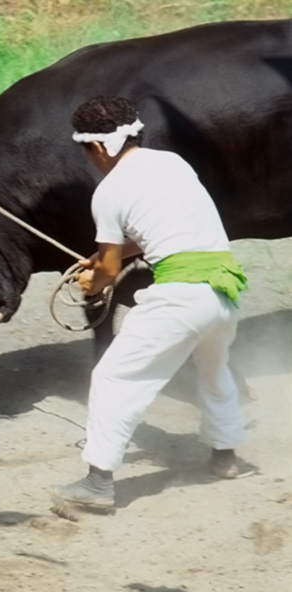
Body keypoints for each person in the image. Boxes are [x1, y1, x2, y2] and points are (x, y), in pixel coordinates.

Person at [52, 96, 250, 510]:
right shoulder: (174, 164)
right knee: (213, 368)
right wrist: (103, 261)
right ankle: (225, 455)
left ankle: (97, 485)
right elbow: (151, 233)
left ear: (97, 148)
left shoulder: (108, 192)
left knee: (113, 378)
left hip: (180, 297)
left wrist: (94, 281)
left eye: (86, 152)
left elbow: (106, 272)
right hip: (225, 289)